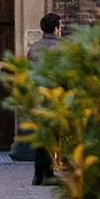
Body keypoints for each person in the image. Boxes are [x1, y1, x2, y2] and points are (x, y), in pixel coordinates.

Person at [26, 12, 62, 185]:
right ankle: (48, 174)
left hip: (37, 97)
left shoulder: (34, 48)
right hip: (54, 97)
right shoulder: (61, 48)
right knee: (52, 136)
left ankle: (38, 175)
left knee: (41, 136)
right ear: (56, 28)